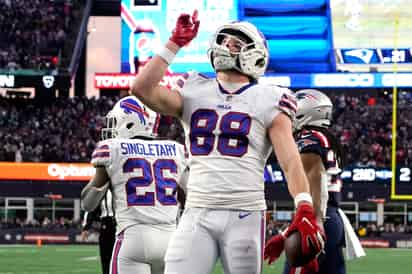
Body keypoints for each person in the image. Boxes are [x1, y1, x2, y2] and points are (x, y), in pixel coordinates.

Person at [131, 10, 325, 274]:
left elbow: (290, 161)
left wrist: (304, 205)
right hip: (197, 210)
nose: (227, 46)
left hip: (244, 213)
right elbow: (141, 89)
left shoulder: (270, 97)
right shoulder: (193, 87)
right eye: (224, 41)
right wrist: (174, 43)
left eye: (237, 42)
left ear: (256, 54)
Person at [81, 96, 188, 274]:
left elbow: (88, 203)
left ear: (130, 122)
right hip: (170, 239)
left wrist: (103, 174)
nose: (112, 128)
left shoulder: (112, 149)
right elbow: (189, 199)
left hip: (133, 239)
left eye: (115, 122)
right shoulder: (177, 149)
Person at [265, 89, 365, 274]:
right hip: (330, 216)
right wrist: (286, 233)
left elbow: (315, 177)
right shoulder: (326, 138)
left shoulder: (308, 137)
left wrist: (315, 221)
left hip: (320, 217)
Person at [81, 190, 116, 274]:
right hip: (105, 225)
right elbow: (92, 209)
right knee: (105, 257)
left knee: (121, 256)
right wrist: (86, 228)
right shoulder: (101, 191)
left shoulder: (120, 188)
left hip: (120, 224)